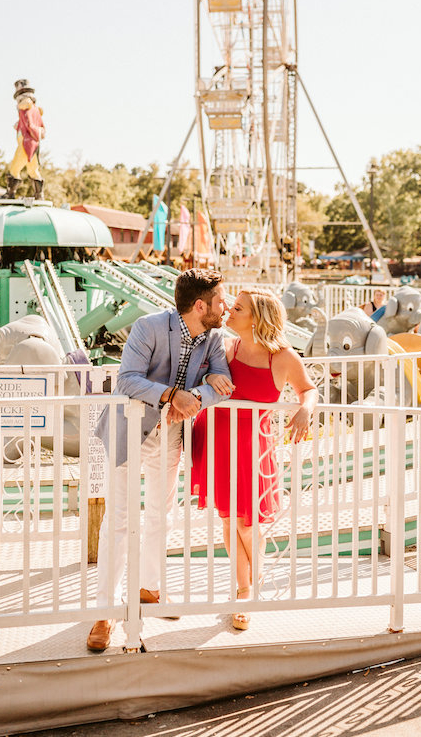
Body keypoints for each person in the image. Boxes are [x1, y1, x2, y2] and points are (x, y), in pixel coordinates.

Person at [87, 269, 231, 651]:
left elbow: (223, 382)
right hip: (129, 430)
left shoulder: (214, 337)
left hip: (171, 436)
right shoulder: (148, 327)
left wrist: (194, 398)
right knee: (118, 521)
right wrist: (171, 396)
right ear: (200, 306)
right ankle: (104, 612)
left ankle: (149, 589)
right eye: (220, 300)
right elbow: (127, 379)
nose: (226, 306)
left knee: (160, 516)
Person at [190, 288, 318, 630]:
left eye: (239, 308)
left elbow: (308, 389)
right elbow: (196, 377)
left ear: (257, 318)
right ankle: (244, 591)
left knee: (249, 523)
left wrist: (305, 409)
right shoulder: (224, 346)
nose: (230, 310)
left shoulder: (284, 357)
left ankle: (248, 588)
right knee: (230, 520)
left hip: (253, 444)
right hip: (216, 437)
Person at [0, 79, 45, 200]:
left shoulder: (26, 104)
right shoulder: (33, 110)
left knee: (15, 168)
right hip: (34, 143)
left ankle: (10, 193)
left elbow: (29, 121)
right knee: (33, 170)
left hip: (27, 143)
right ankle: (39, 195)